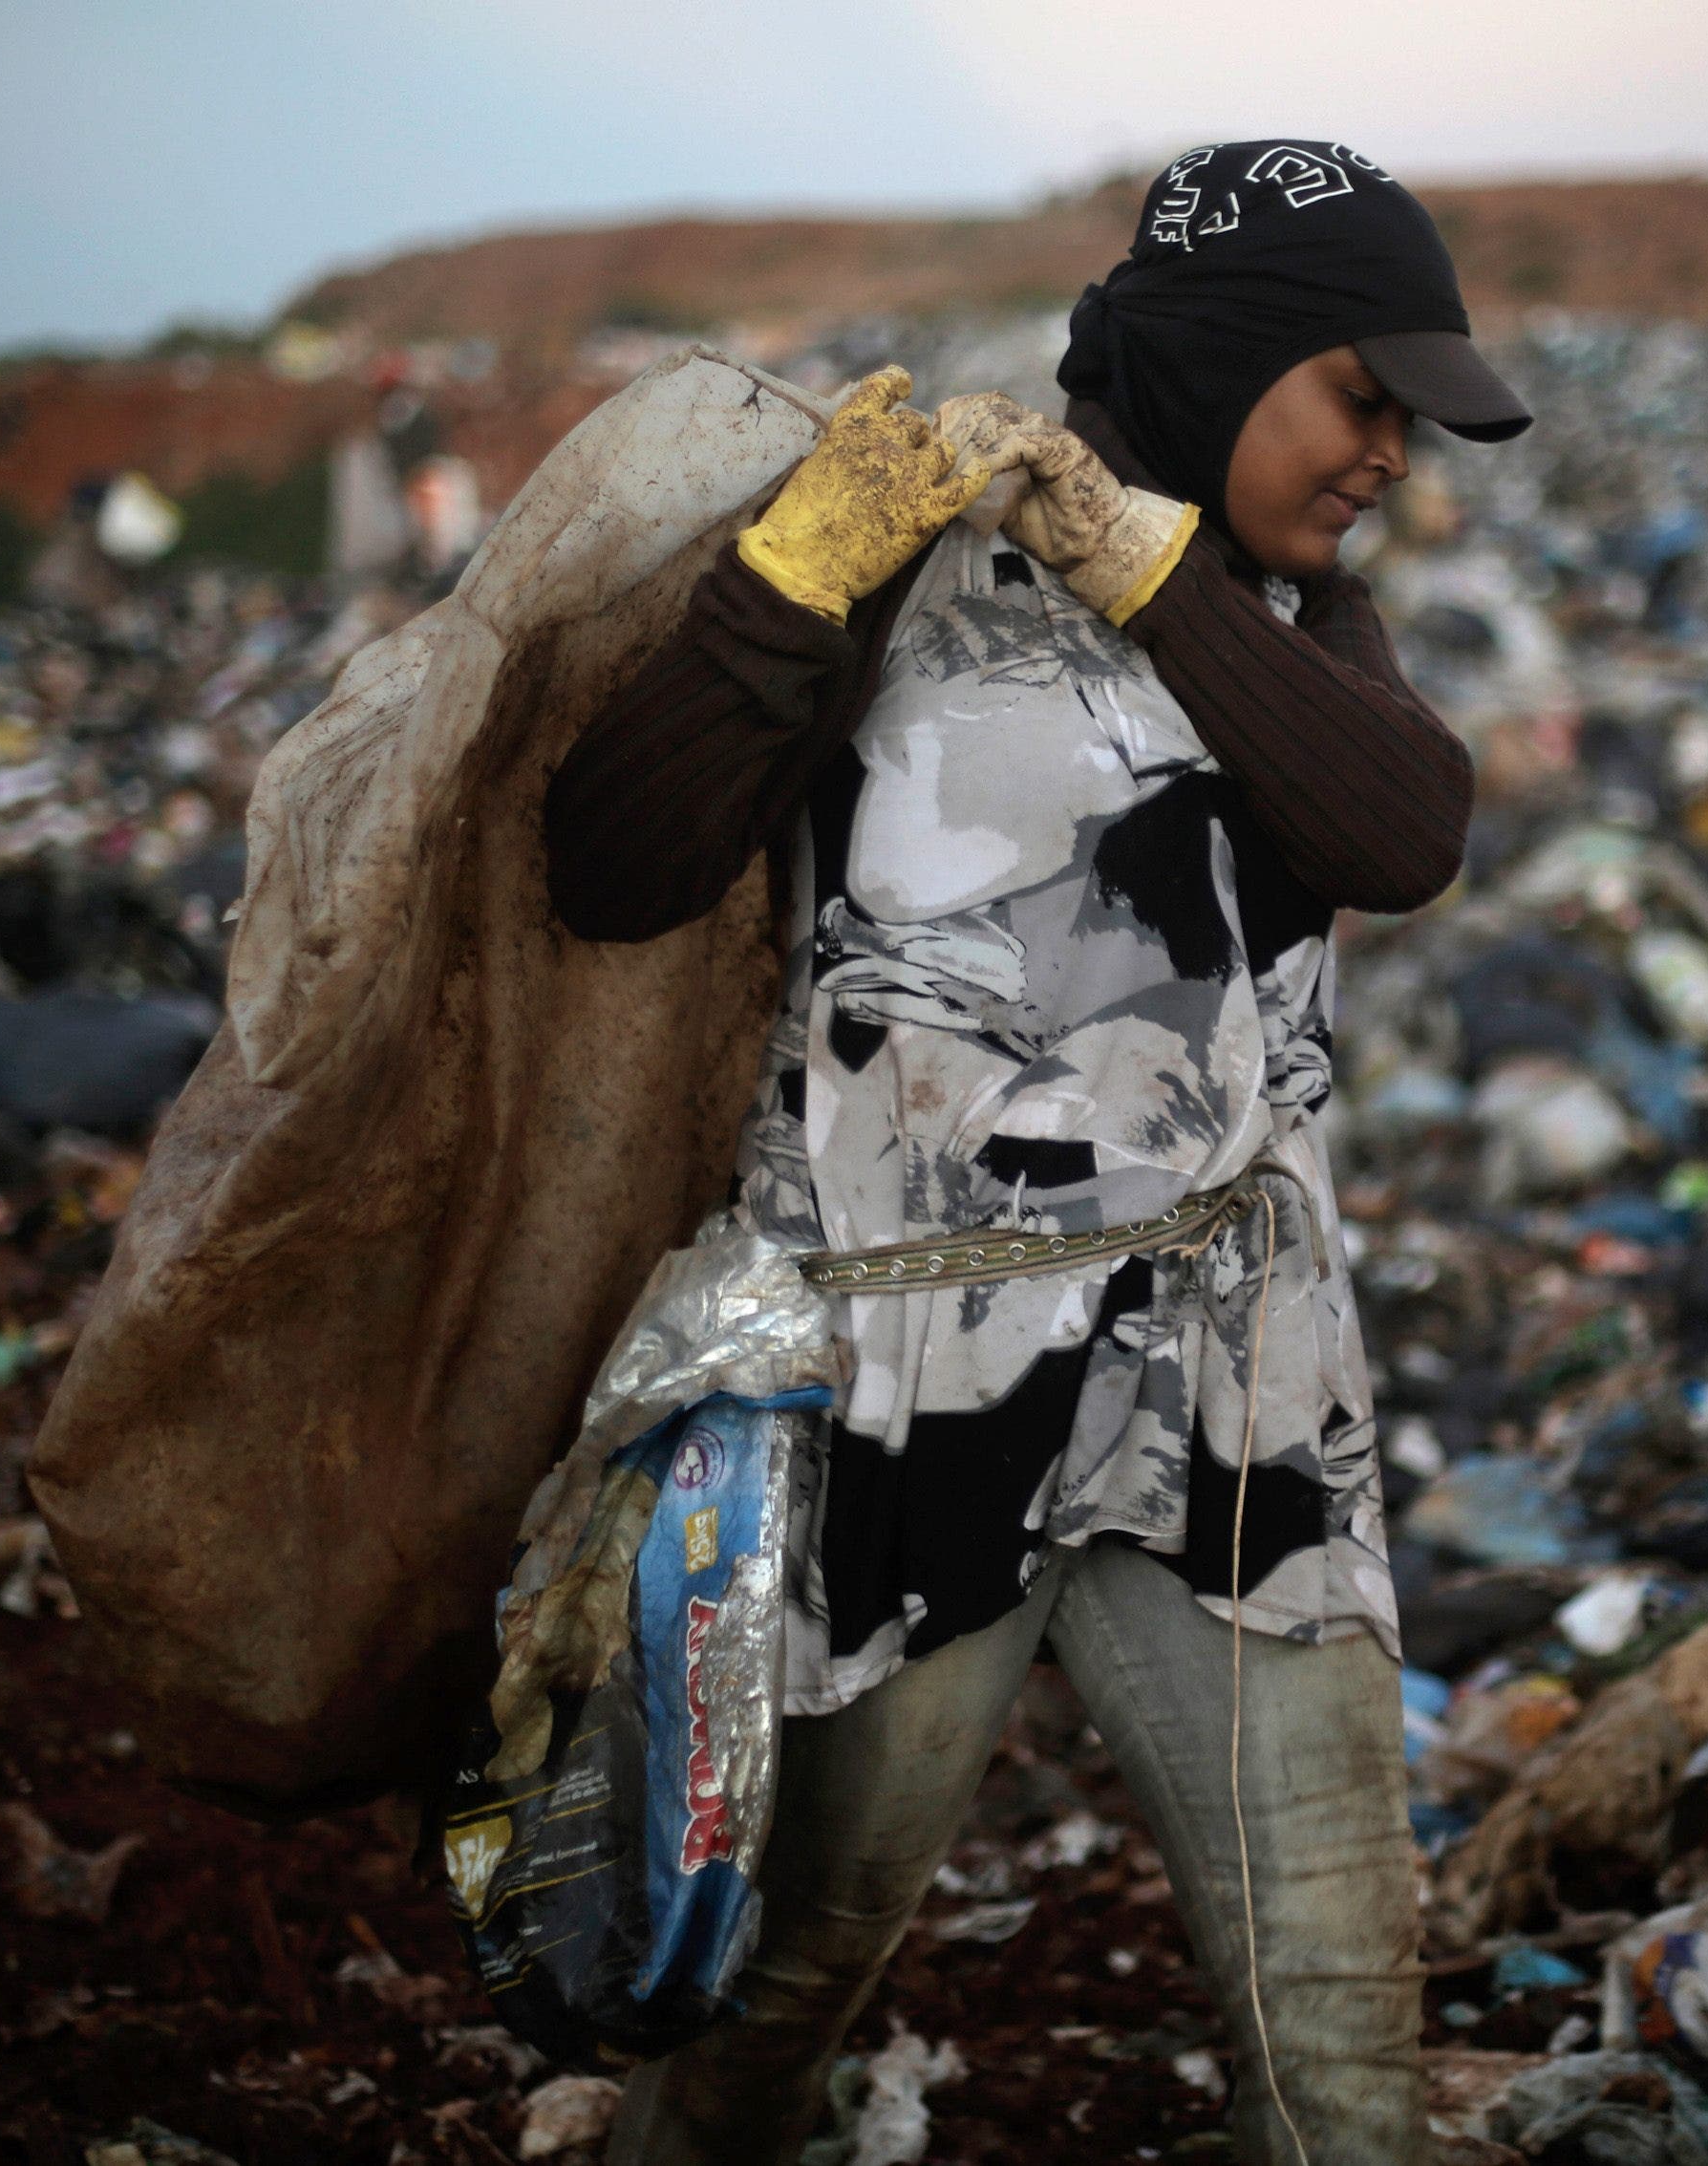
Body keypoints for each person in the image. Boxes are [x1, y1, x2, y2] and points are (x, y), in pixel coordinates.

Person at [541, 139, 1528, 2165]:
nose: (1388, 464)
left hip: (1233, 1396)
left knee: (1332, 2019)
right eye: (1362, 399)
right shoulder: (887, 571)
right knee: (770, 1989)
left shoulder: (1284, 614)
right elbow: (611, 866)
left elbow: (1396, 831)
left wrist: (1153, 571)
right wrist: (780, 584)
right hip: (910, 1403)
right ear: (1235, 352)